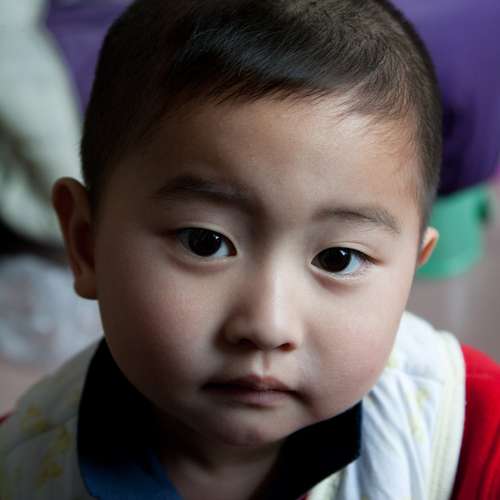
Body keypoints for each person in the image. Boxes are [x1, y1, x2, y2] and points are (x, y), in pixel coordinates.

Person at [0, 0, 499, 498]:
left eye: (338, 259)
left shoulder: (468, 431)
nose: (268, 326)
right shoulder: (20, 472)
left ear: (409, 273)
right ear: (86, 244)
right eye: (205, 243)